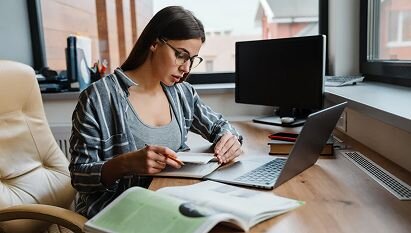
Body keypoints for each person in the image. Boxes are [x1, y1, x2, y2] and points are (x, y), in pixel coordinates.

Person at [69, 6, 243, 218]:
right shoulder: (99, 97)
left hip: (171, 204)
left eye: (192, 59)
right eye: (181, 55)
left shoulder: (182, 93)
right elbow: (79, 175)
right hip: (119, 213)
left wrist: (229, 139)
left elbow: (219, 126)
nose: (186, 68)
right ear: (154, 43)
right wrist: (125, 164)